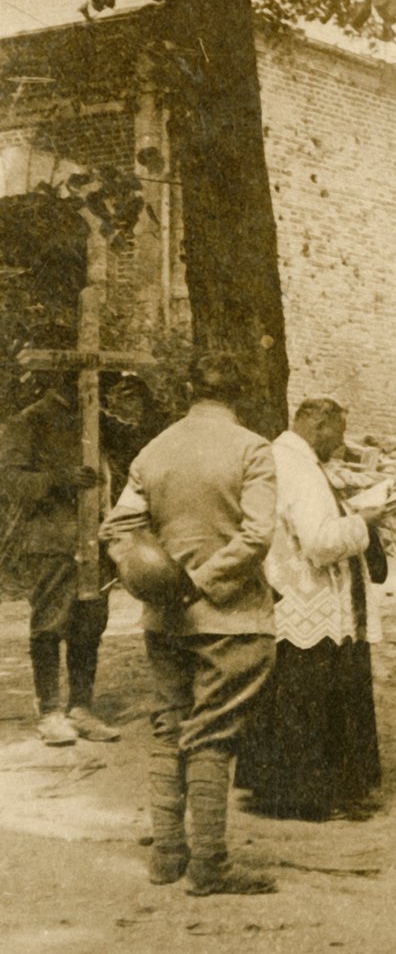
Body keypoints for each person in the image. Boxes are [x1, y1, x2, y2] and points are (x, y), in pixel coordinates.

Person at [101, 352, 278, 897]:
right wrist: (203, 582)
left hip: (165, 620)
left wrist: (157, 583)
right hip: (233, 617)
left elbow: (116, 530)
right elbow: (257, 536)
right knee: (212, 735)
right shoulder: (253, 448)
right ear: (239, 394)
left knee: (168, 727)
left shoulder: (155, 450)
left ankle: (167, 855)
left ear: (186, 391)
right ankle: (209, 864)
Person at [234, 397, 385, 820]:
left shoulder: (278, 458)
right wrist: (364, 521)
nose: (338, 446)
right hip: (310, 599)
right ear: (317, 424)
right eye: (336, 435)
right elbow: (320, 544)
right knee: (311, 700)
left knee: (289, 698)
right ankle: (309, 798)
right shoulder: (299, 469)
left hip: (289, 597)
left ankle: (274, 790)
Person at [0, 375, 120, 746]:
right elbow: (11, 481)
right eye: (86, 380)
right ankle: (50, 711)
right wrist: (58, 479)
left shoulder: (98, 421)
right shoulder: (31, 419)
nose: (92, 387)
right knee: (50, 625)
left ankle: (81, 707)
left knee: (90, 624)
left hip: (94, 540)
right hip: (54, 541)